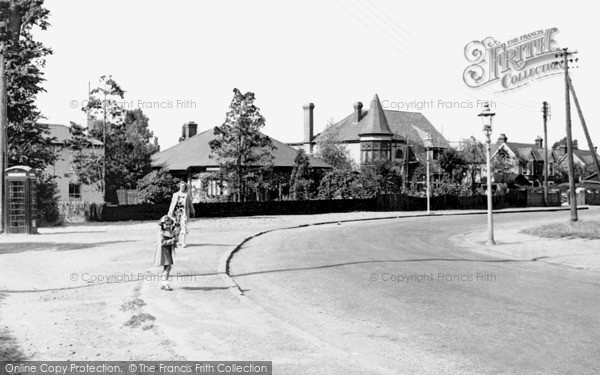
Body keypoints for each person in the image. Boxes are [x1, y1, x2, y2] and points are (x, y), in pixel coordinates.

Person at [168, 181, 195, 247]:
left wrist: (193, 211)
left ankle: (183, 242)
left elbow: (190, 204)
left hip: (184, 213)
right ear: (179, 187)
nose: (182, 187)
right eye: (181, 186)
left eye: (183, 186)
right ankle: (176, 241)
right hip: (176, 213)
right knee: (176, 227)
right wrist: (170, 212)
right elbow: (172, 204)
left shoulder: (187, 195)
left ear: (185, 187)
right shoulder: (175, 194)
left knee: (184, 227)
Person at [154, 215, 176, 291]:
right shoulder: (161, 233)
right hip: (163, 251)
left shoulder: (168, 231)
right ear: (162, 224)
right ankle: (165, 282)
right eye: (166, 224)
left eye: (169, 224)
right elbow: (162, 243)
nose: (168, 226)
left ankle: (163, 283)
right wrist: (172, 241)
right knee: (168, 266)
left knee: (167, 267)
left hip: (167, 251)